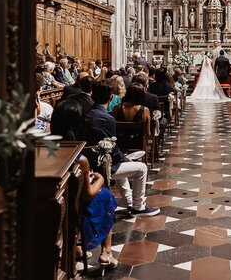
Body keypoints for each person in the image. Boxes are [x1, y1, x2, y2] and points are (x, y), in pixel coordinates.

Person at [50, 99, 118, 268]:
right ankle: (106, 253)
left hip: (52, 198)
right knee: (106, 195)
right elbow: (87, 194)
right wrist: (101, 179)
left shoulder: (44, 147)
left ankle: (78, 249)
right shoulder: (80, 158)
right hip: (73, 206)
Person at [83, 82, 160, 217]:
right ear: (111, 97)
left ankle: (130, 202)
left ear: (92, 96)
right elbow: (112, 148)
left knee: (121, 162)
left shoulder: (87, 114)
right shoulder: (107, 118)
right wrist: (125, 158)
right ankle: (138, 207)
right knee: (141, 168)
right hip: (101, 166)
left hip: (87, 161)